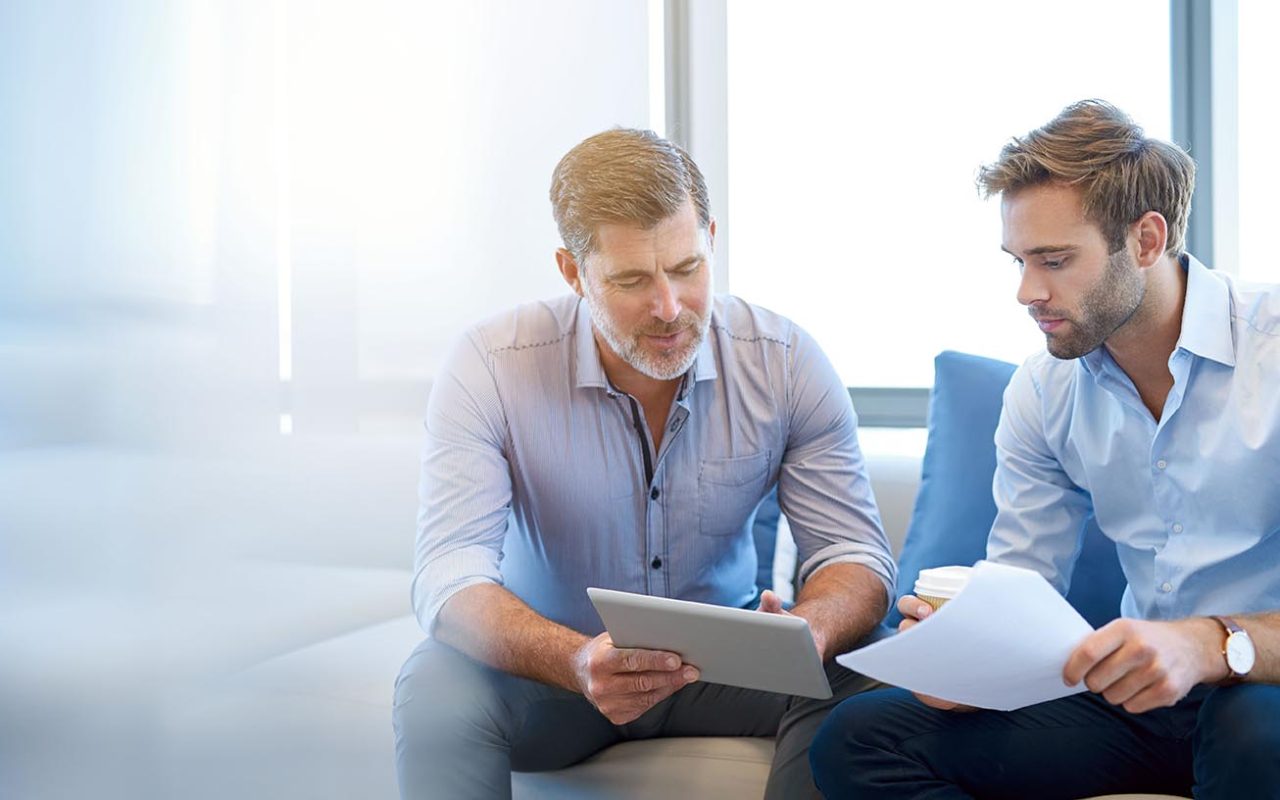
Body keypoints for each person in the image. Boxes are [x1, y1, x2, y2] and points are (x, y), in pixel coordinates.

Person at [393, 128, 896, 799]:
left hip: (729, 671)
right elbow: (449, 573)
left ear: (710, 237)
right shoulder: (490, 364)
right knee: (434, 687)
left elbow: (854, 553)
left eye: (687, 269)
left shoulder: (784, 360)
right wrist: (574, 660)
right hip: (554, 675)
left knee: (872, 668)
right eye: (631, 280)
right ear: (573, 272)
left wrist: (812, 628)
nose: (668, 308)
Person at [809, 99, 1280, 799]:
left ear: (1146, 241)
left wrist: (1208, 643)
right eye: (1020, 260)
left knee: (1253, 732)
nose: (1028, 291)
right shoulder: (1044, 390)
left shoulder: (1269, 352)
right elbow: (1022, 588)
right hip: (1141, 706)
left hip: (1260, 685)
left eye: (1055, 260)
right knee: (857, 740)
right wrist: (966, 660)